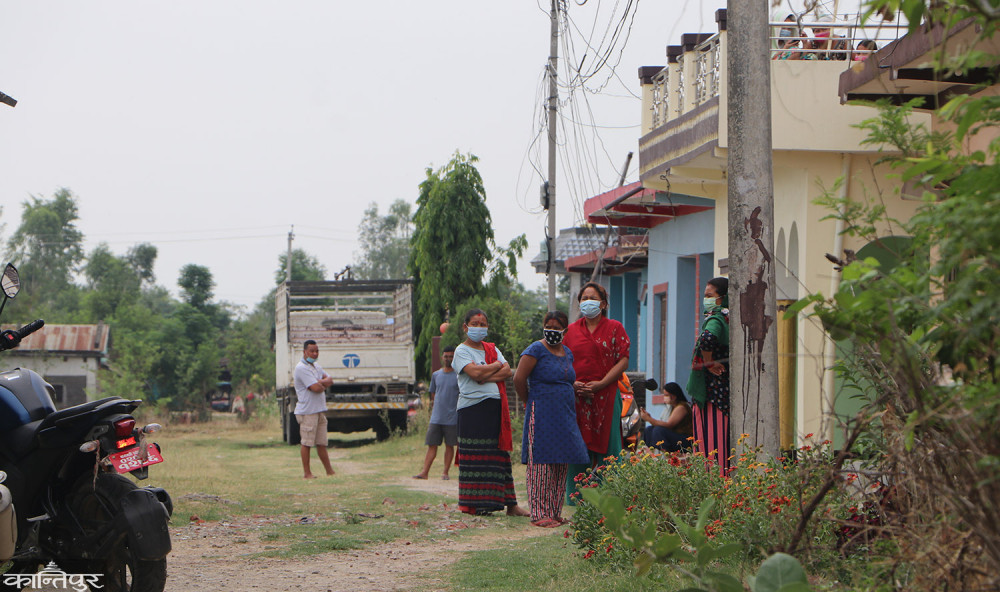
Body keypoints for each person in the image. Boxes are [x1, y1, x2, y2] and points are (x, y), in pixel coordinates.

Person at [513, 311, 589, 528]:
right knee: (541, 463)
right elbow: (519, 378)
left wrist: (573, 386)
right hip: (542, 412)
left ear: (565, 330)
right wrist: (529, 401)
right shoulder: (535, 350)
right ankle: (539, 513)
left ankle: (554, 512)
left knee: (560, 462)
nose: (552, 331)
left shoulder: (567, 352)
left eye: (557, 328)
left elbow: (563, 377)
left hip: (564, 414)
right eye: (549, 326)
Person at [453, 308, 529, 517]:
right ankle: (475, 505)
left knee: (499, 457)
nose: (479, 327)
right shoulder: (461, 351)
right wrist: (493, 366)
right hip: (471, 411)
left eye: (483, 324)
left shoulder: (491, 349)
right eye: (475, 324)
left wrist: (485, 374)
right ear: (465, 326)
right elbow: (474, 372)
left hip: (494, 409)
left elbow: (506, 371)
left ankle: (511, 505)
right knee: (475, 458)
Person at [563, 282, 631, 501]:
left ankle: (610, 497)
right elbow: (561, 362)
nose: (587, 302)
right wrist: (573, 384)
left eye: (592, 298)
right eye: (584, 298)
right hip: (576, 398)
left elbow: (623, 360)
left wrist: (601, 383)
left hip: (607, 395)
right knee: (576, 446)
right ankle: (576, 497)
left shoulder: (615, 327)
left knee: (610, 447)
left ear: (603, 303)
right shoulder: (571, 331)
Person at [686, 277, 731, 475]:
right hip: (719, 393)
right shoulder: (727, 319)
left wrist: (708, 362)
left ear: (722, 298)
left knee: (712, 449)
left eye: (710, 296)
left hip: (713, 395)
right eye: (705, 296)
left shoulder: (716, 319)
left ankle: (716, 490)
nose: (706, 300)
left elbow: (707, 339)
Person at [413, 346, 459, 480]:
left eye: (451, 356)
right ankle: (424, 472)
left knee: (449, 445)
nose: (448, 359)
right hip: (436, 417)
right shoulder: (436, 375)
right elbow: (433, 394)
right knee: (431, 445)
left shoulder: (458, 375)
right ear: (442, 357)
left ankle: (445, 472)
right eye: (446, 356)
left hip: (452, 418)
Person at [293, 339, 335, 479]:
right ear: (304, 352)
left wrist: (319, 382)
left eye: (317, 351)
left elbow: (330, 380)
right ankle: (307, 473)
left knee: (322, 442)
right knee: (307, 443)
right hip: (307, 411)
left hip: (319, 410)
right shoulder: (301, 368)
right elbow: (316, 388)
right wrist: (320, 383)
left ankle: (330, 471)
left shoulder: (316, 367)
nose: (315, 353)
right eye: (312, 351)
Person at [639, 382, 693, 453]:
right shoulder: (670, 408)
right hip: (675, 436)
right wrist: (650, 418)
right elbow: (662, 423)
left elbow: (669, 425)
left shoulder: (682, 407)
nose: (664, 397)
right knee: (649, 429)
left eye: (666, 395)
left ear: (673, 396)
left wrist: (649, 419)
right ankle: (650, 451)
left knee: (659, 430)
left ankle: (662, 452)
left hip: (685, 439)